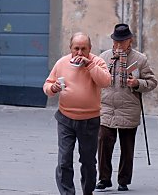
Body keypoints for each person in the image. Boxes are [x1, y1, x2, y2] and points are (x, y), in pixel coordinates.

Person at [43, 32, 112, 195]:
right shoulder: (62, 63)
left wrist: (89, 65)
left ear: (90, 49)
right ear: (70, 48)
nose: (80, 53)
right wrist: (52, 88)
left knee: (88, 161)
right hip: (65, 118)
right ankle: (67, 193)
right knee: (64, 159)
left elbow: (105, 82)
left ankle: (88, 192)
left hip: (90, 120)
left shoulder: (97, 62)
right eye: (76, 49)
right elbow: (47, 85)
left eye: (83, 49)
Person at [95, 23, 158, 192]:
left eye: (122, 41)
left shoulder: (140, 59)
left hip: (129, 108)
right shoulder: (104, 57)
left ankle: (123, 180)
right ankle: (104, 179)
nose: (119, 45)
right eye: (116, 41)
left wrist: (137, 83)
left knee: (127, 147)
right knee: (103, 143)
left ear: (130, 41)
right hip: (107, 107)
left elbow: (152, 82)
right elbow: (96, 79)